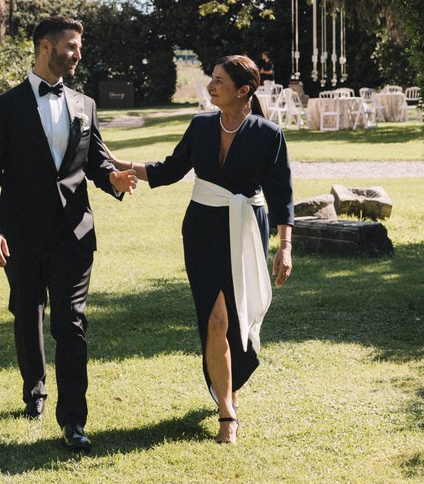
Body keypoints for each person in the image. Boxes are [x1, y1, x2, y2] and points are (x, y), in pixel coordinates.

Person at [110, 55, 293, 445]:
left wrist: (285, 248)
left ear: (243, 90)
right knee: (214, 320)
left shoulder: (269, 134)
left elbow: (282, 194)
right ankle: (227, 411)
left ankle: (231, 383)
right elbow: (170, 169)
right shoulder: (201, 126)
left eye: (219, 81)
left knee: (239, 320)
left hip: (246, 230)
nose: (210, 86)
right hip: (202, 230)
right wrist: (118, 162)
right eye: (211, 78)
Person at [0, 15, 137, 453]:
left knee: (72, 323)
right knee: (28, 314)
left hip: (73, 234)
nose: (78, 54)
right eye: (70, 46)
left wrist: (114, 180)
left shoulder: (85, 105)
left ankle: (74, 422)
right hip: (21, 234)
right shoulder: (3, 108)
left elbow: (97, 162)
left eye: (79, 46)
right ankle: (35, 390)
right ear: (44, 47)